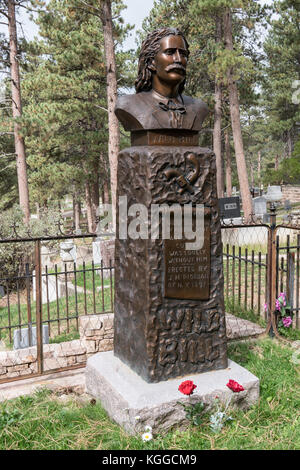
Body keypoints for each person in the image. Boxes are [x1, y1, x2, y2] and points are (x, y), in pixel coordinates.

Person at [115, 27, 209, 132]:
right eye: (170, 52)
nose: (178, 59)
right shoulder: (129, 105)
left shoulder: (199, 108)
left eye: (183, 54)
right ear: (151, 62)